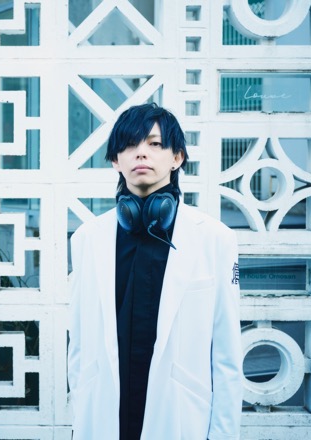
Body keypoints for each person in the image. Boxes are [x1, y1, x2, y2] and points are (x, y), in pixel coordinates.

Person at [67, 103, 243, 439]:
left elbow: (227, 354)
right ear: (115, 161)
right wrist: (82, 409)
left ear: (177, 158)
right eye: (129, 145)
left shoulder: (215, 238)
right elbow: (78, 343)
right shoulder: (88, 238)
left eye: (155, 144)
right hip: (105, 415)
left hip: (180, 416)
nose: (141, 153)